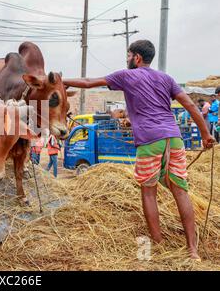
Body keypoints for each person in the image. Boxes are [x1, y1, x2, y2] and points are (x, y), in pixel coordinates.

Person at [64, 40, 216, 261]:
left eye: (128, 55)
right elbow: (190, 106)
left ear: (136, 58)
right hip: (174, 139)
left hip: (149, 140)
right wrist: (205, 134)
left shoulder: (127, 76)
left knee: (148, 191)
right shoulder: (166, 78)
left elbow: (88, 82)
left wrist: (61, 80)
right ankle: (193, 251)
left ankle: (158, 245)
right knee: (181, 191)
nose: (126, 59)